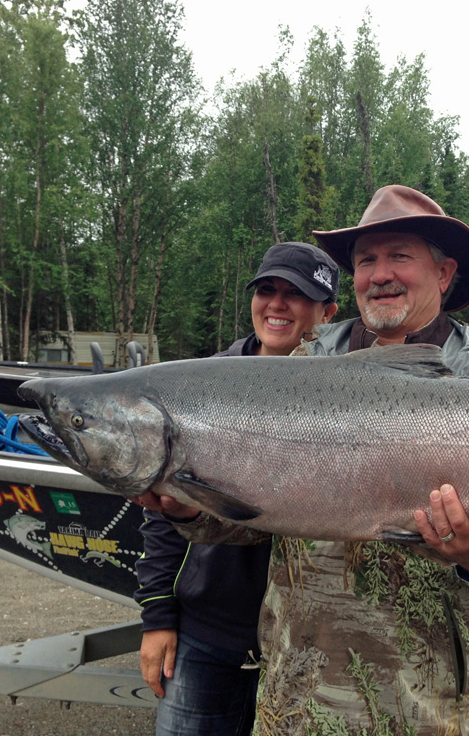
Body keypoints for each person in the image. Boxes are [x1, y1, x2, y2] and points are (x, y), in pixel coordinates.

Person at [136, 185, 469, 735]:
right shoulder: (300, 367)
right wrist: (188, 513)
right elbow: (252, 522)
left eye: (399, 255)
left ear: (444, 274)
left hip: (429, 712)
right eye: (365, 260)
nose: (379, 274)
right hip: (297, 705)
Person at [133, 241, 340, 736]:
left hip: (307, 642)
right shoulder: (201, 385)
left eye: (297, 294)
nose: (277, 304)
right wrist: (157, 616)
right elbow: (162, 512)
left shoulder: (342, 388)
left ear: (328, 311)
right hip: (206, 636)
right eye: (267, 290)